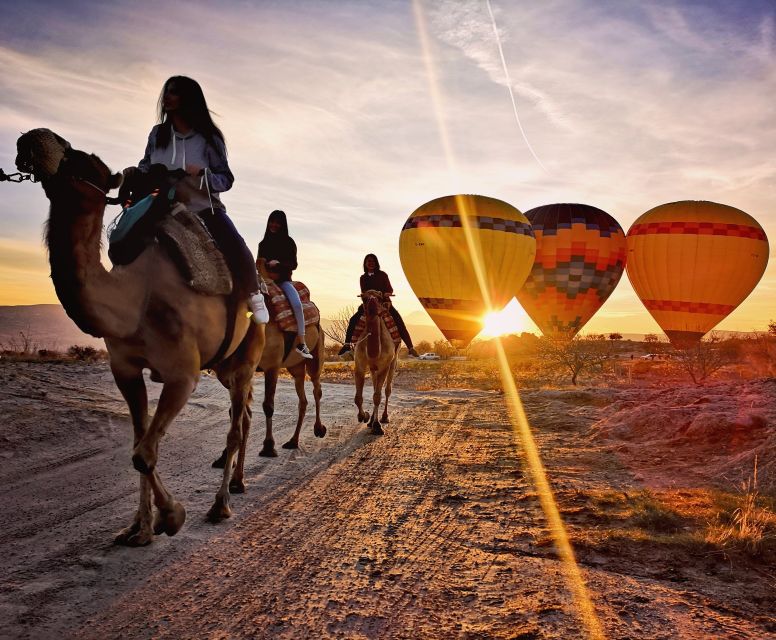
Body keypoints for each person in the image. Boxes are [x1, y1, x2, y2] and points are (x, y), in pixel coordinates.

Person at [132, 75, 268, 324]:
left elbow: (226, 179)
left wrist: (203, 174)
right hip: (161, 207)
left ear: (188, 99)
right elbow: (145, 165)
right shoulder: (157, 134)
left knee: (235, 244)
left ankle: (254, 295)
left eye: (174, 92)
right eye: (167, 92)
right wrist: (135, 175)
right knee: (126, 238)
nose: (167, 97)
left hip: (203, 208)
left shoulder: (208, 138)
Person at [257, 210, 313, 359]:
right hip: (263, 281)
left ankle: (302, 342)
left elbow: (293, 264)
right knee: (249, 303)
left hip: (283, 281)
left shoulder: (288, 242)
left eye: (277, 223)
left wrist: (279, 264)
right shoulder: (263, 243)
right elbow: (259, 262)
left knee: (296, 304)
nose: (274, 225)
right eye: (272, 221)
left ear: (282, 225)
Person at [338, 254, 418, 357]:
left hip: (383, 303)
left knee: (398, 320)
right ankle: (347, 345)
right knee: (353, 320)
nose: (371, 263)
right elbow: (363, 292)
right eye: (368, 261)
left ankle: (410, 347)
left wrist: (384, 294)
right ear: (365, 264)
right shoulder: (363, 277)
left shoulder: (383, 275)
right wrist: (368, 294)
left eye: (373, 261)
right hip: (369, 304)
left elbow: (390, 289)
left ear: (376, 263)